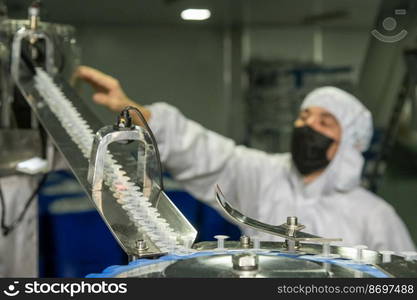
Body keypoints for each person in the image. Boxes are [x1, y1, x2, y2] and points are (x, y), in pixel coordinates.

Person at [75, 65, 415, 252]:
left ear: (350, 144)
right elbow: (206, 152)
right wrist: (137, 112)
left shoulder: (375, 216)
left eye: (325, 123)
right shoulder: (265, 174)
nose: (308, 126)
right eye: (304, 116)